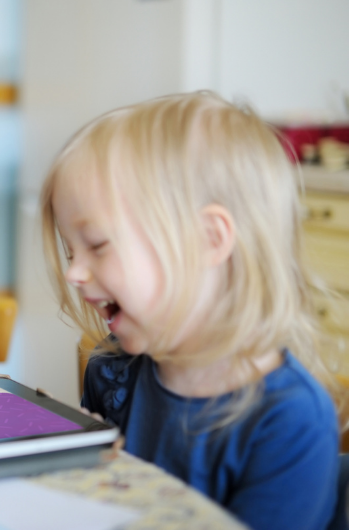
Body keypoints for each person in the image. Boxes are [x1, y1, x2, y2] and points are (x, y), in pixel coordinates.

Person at [40, 92, 342, 530]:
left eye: (98, 245)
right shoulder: (110, 372)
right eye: (71, 252)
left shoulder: (290, 423)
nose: (74, 273)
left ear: (208, 240)